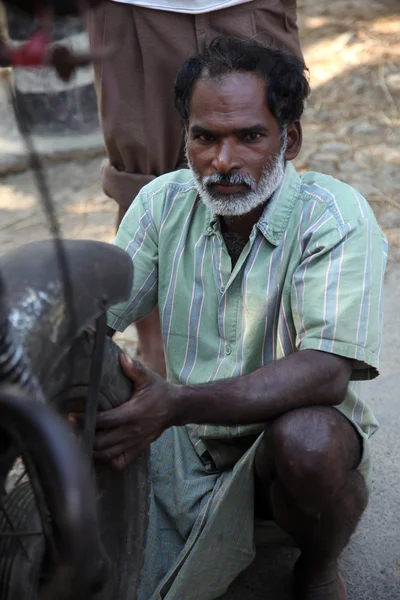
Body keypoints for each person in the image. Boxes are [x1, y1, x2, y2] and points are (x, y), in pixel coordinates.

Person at [91, 37, 387, 600]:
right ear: (186, 138)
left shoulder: (334, 215)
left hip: (278, 456)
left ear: (289, 139)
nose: (223, 162)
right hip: (180, 443)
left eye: (249, 136)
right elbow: (96, 316)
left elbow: (326, 371)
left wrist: (175, 403)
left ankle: (318, 566)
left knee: (310, 442)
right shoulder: (160, 203)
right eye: (205, 138)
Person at [87, 0, 302, 378]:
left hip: (246, 4)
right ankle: (157, 359)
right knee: (138, 180)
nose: (222, 162)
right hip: (134, 7)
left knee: (263, 170)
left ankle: (270, 348)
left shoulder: (337, 214)